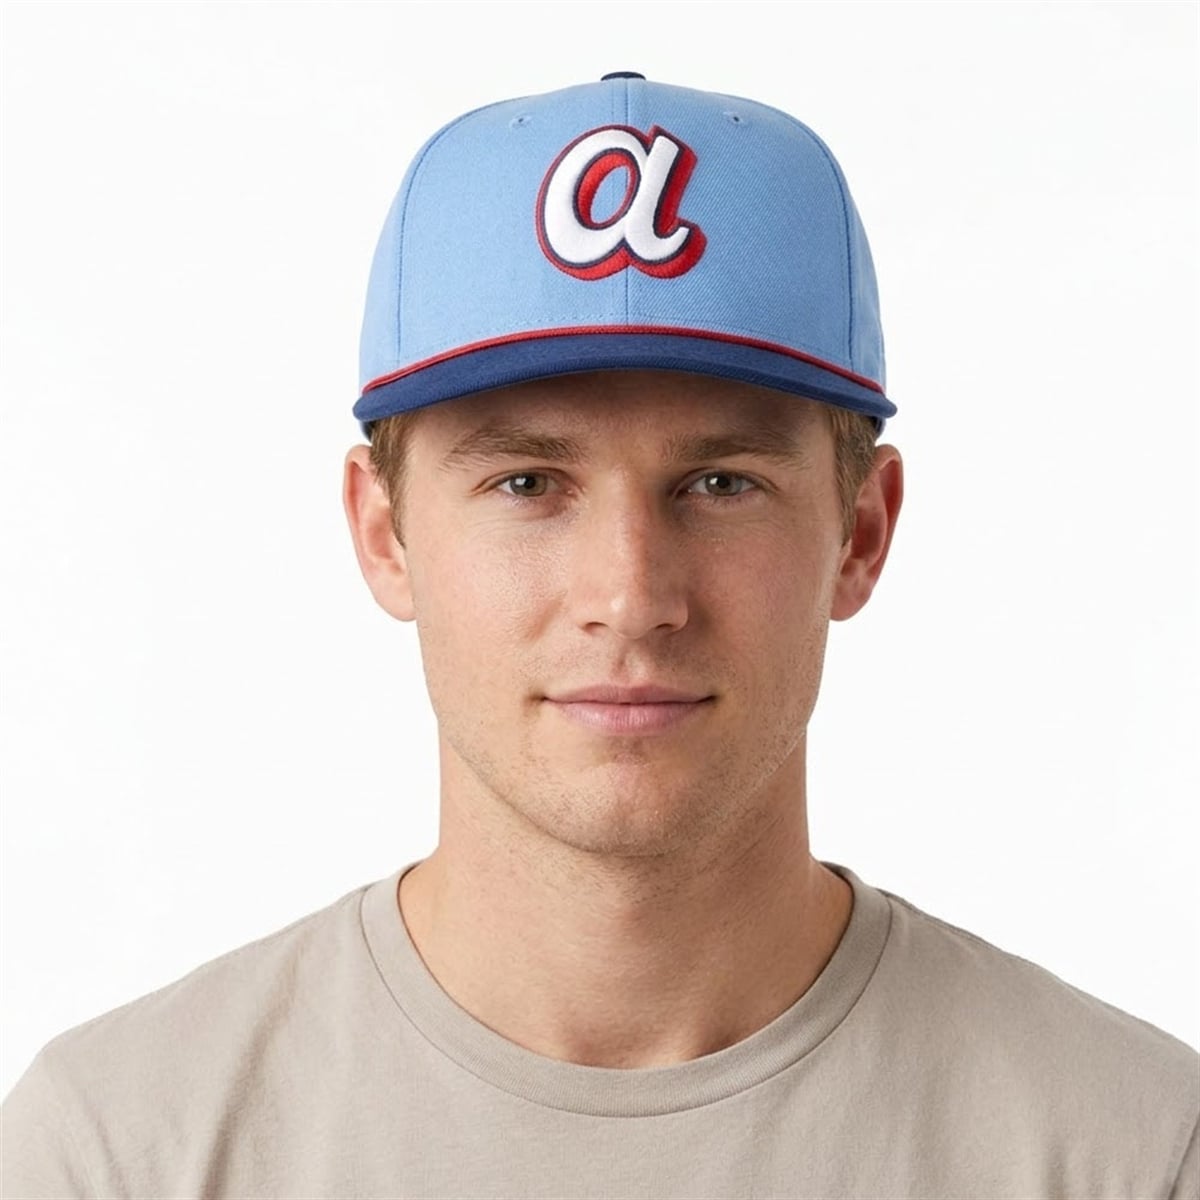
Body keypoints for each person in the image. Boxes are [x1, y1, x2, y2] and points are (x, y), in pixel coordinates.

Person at [2, 72, 1196, 1200]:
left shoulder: (1129, 1151)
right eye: (527, 484)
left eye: (722, 483)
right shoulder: (117, 1152)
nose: (630, 596)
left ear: (861, 533)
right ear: (383, 534)